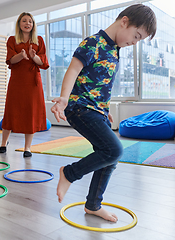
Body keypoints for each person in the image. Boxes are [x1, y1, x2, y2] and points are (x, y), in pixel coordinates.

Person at [51, 4, 157, 222]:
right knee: (114, 150)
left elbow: (102, 84)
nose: (134, 42)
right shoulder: (93, 43)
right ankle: (69, 173)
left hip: (96, 110)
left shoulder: (115, 50)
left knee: (109, 158)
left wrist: (105, 109)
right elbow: (73, 70)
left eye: (139, 40)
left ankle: (92, 205)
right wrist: (63, 99)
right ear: (124, 21)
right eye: (136, 36)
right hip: (79, 107)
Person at [0, 12, 49, 158]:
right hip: (17, 81)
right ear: (19, 24)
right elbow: (10, 60)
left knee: (30, 113)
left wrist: (34, 57)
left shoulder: (39, 40)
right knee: (11, 110)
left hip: (33, 82)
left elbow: (43, 62)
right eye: (24, 21)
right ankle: (3, 142)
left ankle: (27, 147)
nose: (28, 23)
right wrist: (21, 55)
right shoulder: (12, 40)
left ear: (33, 25)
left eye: (30, 21)